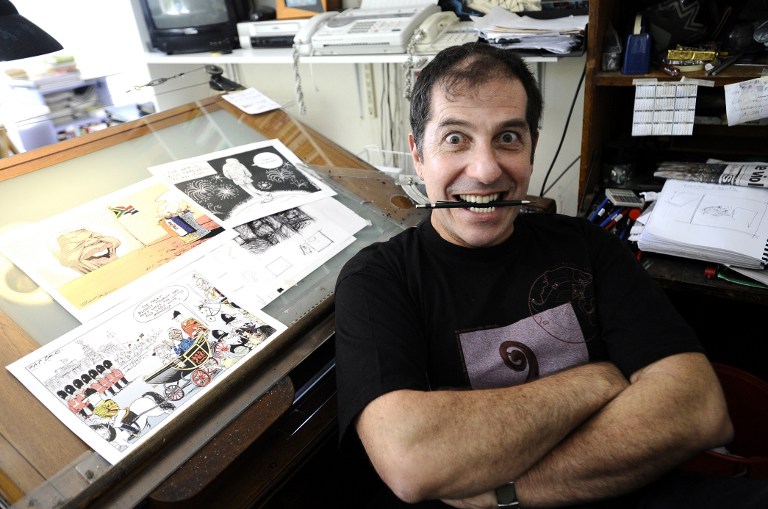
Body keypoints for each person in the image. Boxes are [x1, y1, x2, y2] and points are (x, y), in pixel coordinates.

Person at [334, 42, 768, 508]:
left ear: (532, 148)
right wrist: (593, 381)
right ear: (418, 155)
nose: (486, 171)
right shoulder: (379, 279)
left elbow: (698, 409)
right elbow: (412, 460)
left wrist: (506, 492)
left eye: (508, 137)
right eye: (455, 138)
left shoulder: (589, 245)